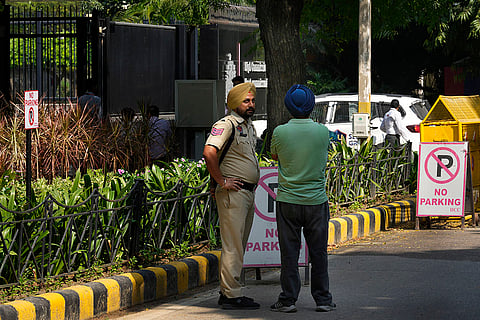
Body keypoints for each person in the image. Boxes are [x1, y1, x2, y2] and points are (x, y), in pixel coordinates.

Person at [270, 84, 335, 313]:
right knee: (318, 252)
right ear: (311, 106)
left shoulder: (279, 132)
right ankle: (323, 300)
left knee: (289, 252)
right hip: (316, 201)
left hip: (288, 201)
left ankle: (288, 300)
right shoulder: (323, 132)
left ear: (288, 106)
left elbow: (275, 155)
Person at [203, 82, 260, 310]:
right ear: (234, 103)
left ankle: (231, 291)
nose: (251, 105)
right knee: (233, 245)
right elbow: (209, 152)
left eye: (253, 101)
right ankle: (230, 295)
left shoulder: (246, 125)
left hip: (246, 193)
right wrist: (221, 181)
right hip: (232, 194)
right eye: (246, 101)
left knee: (239, 244)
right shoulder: (226, 124)